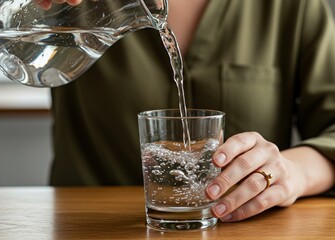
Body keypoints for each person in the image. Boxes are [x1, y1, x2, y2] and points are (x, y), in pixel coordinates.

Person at [48, 0, 335, 222]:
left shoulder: (293, 6)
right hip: (89, 228)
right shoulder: (76, 6)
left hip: (242, 228)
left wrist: (294, 172)